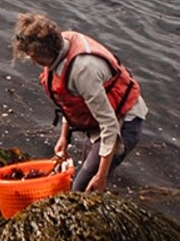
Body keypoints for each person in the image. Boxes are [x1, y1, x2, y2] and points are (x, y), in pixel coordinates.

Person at [11, 11, 146, 193]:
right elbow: (70, 99)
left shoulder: (83, 70)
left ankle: (97, 200)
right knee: (86, 176)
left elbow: (109, 126)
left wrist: (101, 176)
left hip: (123, 120)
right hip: (100, 116)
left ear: (43, 53)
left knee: (82, 188)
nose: (33, 62)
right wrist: (64, 138)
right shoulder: (60, 44)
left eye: (33, 57)